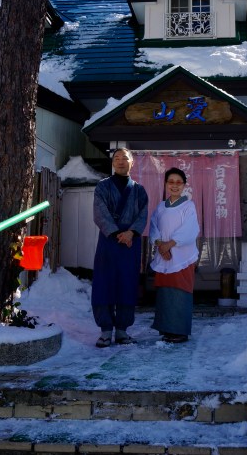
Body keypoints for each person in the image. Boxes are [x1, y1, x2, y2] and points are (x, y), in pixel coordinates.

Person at [92, 148, 149, 348]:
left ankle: (123, 330)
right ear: (112, 163)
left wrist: (131, 233)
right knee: (104, 282)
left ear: (132, 162)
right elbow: (99, 213)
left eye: (124, 158)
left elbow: (143, 214)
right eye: (116, 158)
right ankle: (106, 330)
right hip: (109, 240)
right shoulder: (102, 187)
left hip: (130, 242)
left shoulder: (139, 190)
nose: (120, 161)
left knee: (127, 282)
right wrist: (117, 233)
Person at [149, 167, 200, 343]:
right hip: (164, 255)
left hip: (181, 257)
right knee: (165, 291)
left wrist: (169, 245)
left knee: (180, 290)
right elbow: (154, 227)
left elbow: (190, 230)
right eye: (171, 182)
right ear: (165, 184)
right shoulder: (160, 207)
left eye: (179, 182)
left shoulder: (188, 206)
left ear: (184, 185)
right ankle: (167, 329)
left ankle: (179, 331)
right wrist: (160, 245)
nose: (175, 185)